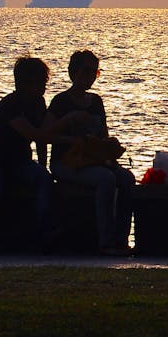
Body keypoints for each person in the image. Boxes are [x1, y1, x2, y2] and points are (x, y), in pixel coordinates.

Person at [0, 56, 84, 255]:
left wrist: (43, 166)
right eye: (41, 83)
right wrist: (68, 139)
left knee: (43, 180)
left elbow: (40, 138)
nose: (44, 87)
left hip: (20, 162)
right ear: (27, 83)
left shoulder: (38, 102)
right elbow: (34, 134)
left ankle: (44, 231)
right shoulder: (9, 105)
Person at [48, 50, 136, 256]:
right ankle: (105, 243)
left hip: (93, 160)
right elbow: (46, 134)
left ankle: (121, 239)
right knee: (105, 179)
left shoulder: (96, 102)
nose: (90, 77)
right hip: (67, 163)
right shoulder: (60, 102)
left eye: (94, 72)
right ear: (73, 72)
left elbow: (103, 135)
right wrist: (69, 122)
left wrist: (109, 150)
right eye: (86, 71)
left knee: (126, 178)